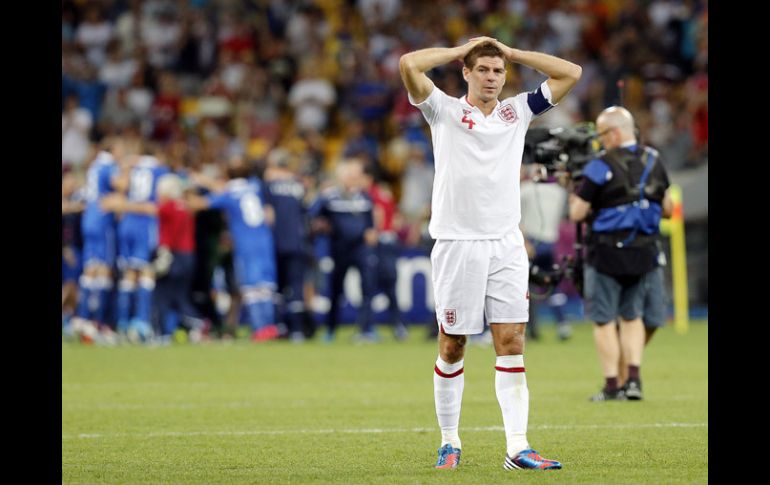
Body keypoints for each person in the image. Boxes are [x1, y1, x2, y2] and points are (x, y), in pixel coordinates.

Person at [399, 37, 581, 470]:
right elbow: (408, 63)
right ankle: (449, 441)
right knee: (453, 344)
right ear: (466, 72)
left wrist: (515, 54)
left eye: (498, 71)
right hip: (457, 243)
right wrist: (460, 48)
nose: (492, 78)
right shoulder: (441, 109)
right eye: (483, 69)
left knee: (512, 341)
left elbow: (570, 73)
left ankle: (517, 447)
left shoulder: (515, 111)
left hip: (505, 243)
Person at [568, 106, 672, 402]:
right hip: (644, 251)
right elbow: (666, 208)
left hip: (605, 252)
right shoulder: (654, 159)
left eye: (601, 134)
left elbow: (577, 212)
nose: (599, 141)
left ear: (613, 132)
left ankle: (613, 384)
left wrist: (575, 192)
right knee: (632, 316)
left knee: (603, 320)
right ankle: (634, 380)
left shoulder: (600, 165)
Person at [308, 157, 379, 342]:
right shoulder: (329, 196)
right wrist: (320, 226)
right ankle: (331, 329)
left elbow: (370, 222)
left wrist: (372, 232)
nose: (354, 179)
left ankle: (366, 329)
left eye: (356, 175)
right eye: (350, 175)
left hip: (361, 249)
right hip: (339, 249)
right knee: (335, 290)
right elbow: (312, 217)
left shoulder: (363, 197)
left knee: (367, 288)